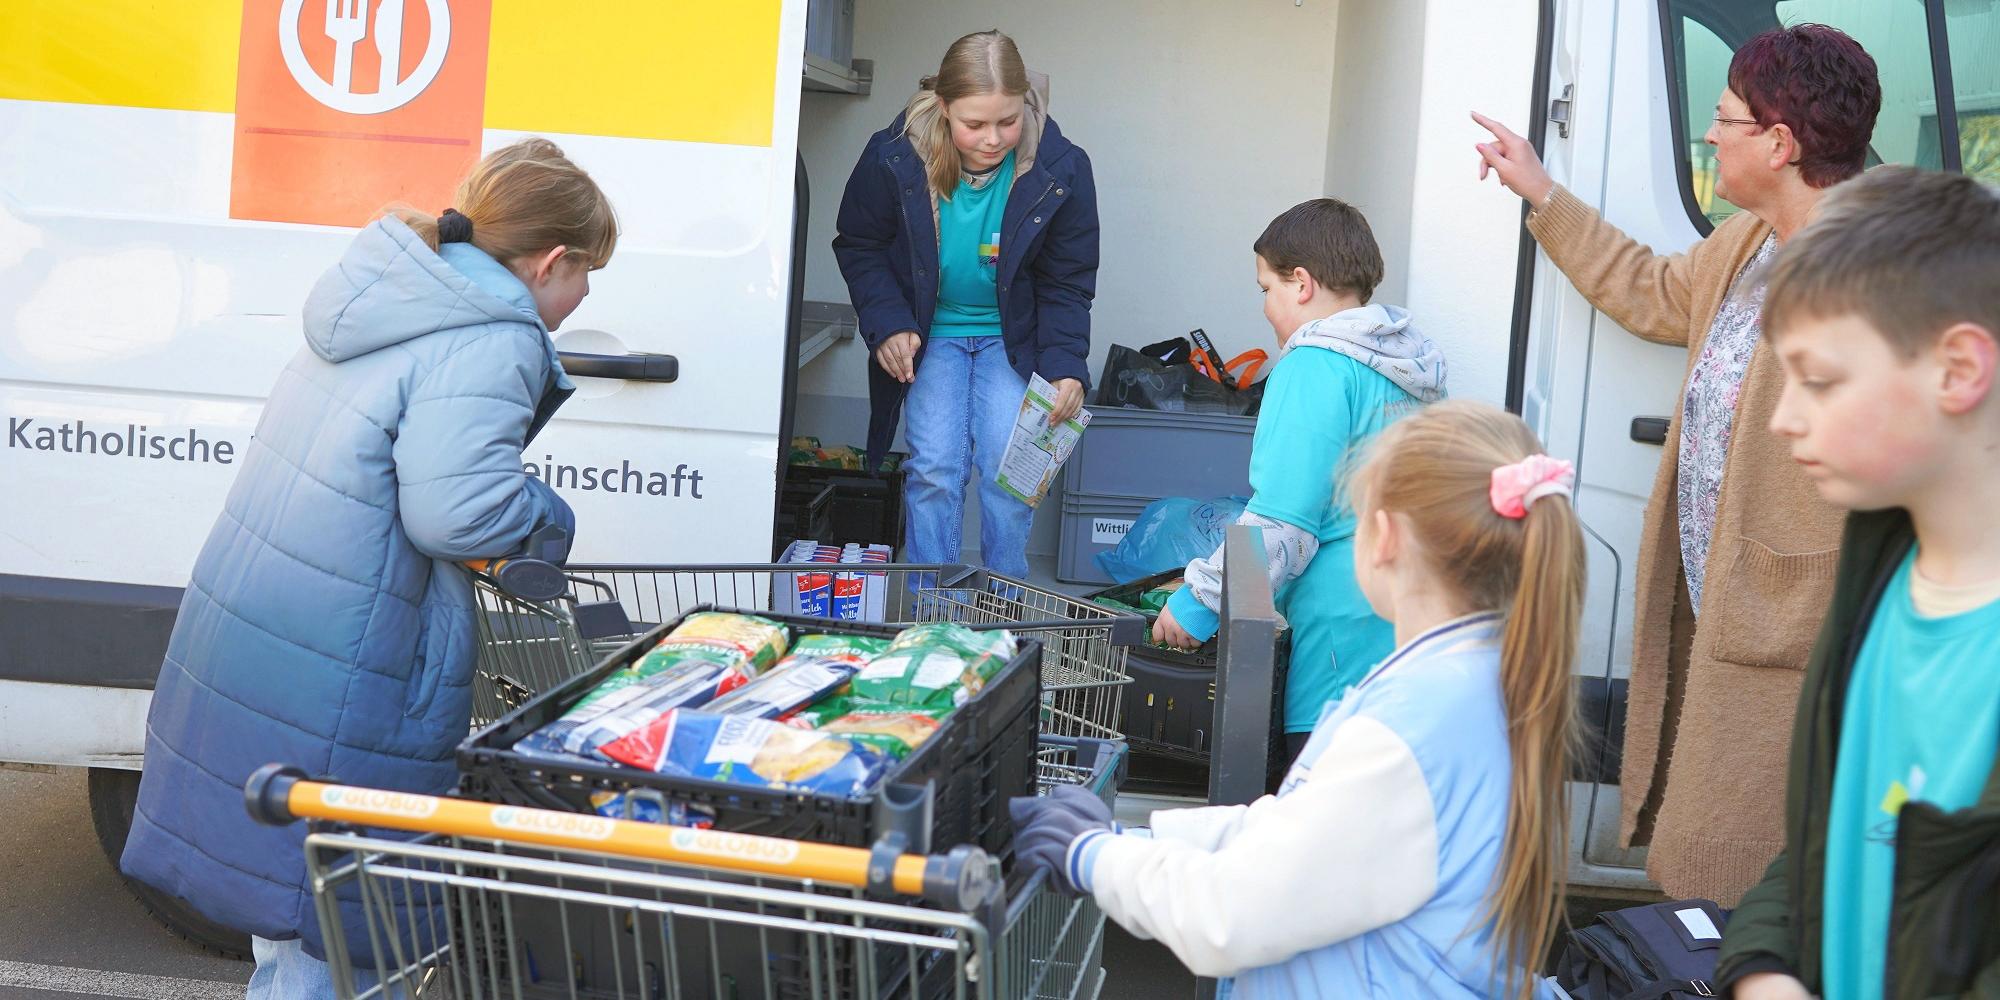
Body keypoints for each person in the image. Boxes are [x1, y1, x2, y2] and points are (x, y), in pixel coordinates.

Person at [120, 138, 616, 994]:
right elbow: (456, 510)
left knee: (291, 903)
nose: (582, 298)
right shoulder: (495, 336)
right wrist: (548, 515)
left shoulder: (392, 298)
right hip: (354, 648)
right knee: (341, 929)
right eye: (587, 276)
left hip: (274, 624)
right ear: (551, 262)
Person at [1470, 24, 1882, 904]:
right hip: (1727, 602)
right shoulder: (1747, 244)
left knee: (1745, 869)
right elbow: (1651, 289)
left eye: (1726, 120)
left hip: (1796, 622)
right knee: (1711, 863)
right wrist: (1542, 191)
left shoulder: (1868, 266)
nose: (1710, 135)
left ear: (1780, 143)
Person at [1013, 401, 1582, 998]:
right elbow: (1304, 834)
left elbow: (1234, 915)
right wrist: (1135, 840)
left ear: (1382, 537)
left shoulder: (1409, 725)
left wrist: (1089, 859)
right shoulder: (1486, 679)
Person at [1713, 168, 2000, 998]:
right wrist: (1762, 966)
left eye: (1821, 379)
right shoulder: (1877, 572)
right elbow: (1831, 833)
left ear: (1958, 369)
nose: (1783, 417)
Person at [1152, 198, 1445, 758]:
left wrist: (1196, 604)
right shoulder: (1412, 371)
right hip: (1421, 620)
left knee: (1324, 805)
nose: (1265, 306)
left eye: (1267, 288)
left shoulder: (1314, 365)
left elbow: (1283, 521)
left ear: (1302, 284)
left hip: (1343, 632)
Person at [832, 29, 1098, 577]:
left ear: (1025, 102)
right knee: (934, 469)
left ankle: (1006, 607)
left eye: (1007, 120)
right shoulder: (894, 156)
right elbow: (859, 243)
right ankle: (936, 613)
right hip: (931, 336)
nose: (993, 138)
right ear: (943, 105)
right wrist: (887, 324)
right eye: (973, 124)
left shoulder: (1062, 166)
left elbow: (1067, 279)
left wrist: (1066, 364)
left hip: (1013, 338)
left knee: (1011, 470)